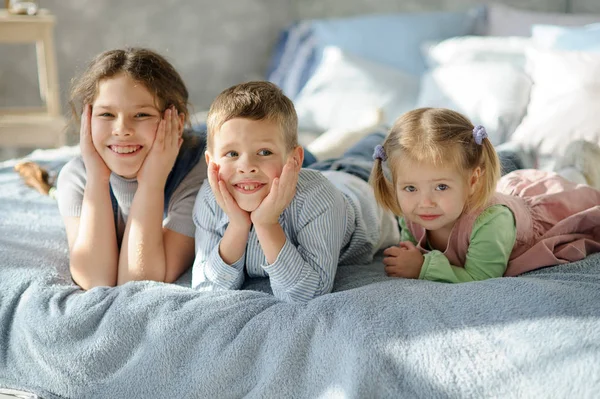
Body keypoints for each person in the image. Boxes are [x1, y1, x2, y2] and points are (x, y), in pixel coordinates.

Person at [191, 81, 400, 303]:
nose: (246, 165)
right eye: (232, 153)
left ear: (295, 159)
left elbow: (309, 293)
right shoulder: (210, 197)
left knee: (386, 149)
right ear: (210, 162)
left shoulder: (321, 200)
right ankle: (358, 128)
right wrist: (238, 225)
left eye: (264, 151)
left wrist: (266, 223)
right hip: (305, 175)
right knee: (329, 157)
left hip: (358, 182)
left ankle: (379, 129)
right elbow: (207, 288)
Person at [370, 107, 600, 283]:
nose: (425, 203)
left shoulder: (492, 221)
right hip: (504, 194)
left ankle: (580, 165)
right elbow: (410, 250)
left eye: (441, 187)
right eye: (410, 188)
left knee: (575, 189)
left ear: (472, 181)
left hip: (546, 209)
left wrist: (422, 268)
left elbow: (482, 277)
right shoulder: (411, 212)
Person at [55, 48, 207, 290]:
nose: (122, 129)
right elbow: (94, 280)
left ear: (177, 123)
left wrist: (151, 183)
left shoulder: (199, 175)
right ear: (87, 120)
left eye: (141, 114)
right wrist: (97, 179)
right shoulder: (78, 177)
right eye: (106, 114)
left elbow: (139, 282)